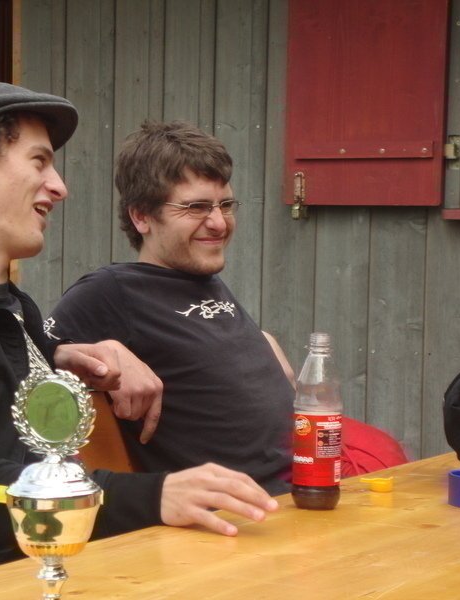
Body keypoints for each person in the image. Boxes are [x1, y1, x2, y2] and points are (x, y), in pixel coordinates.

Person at [0, 83, 277, 600]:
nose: (59, 186)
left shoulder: (11, 311)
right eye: (40, 161)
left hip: (44, 577)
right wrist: (152, 496)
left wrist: (69, 356)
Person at [45, 121, 296, 496]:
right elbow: (25, 365)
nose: (218, 223)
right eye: (196, 207)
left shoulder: (202, 279)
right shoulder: (113, 290)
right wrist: (80, 353)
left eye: (226, 205)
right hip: (231, 511)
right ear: (141, 216)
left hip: (302, 488)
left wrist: (260, 344)